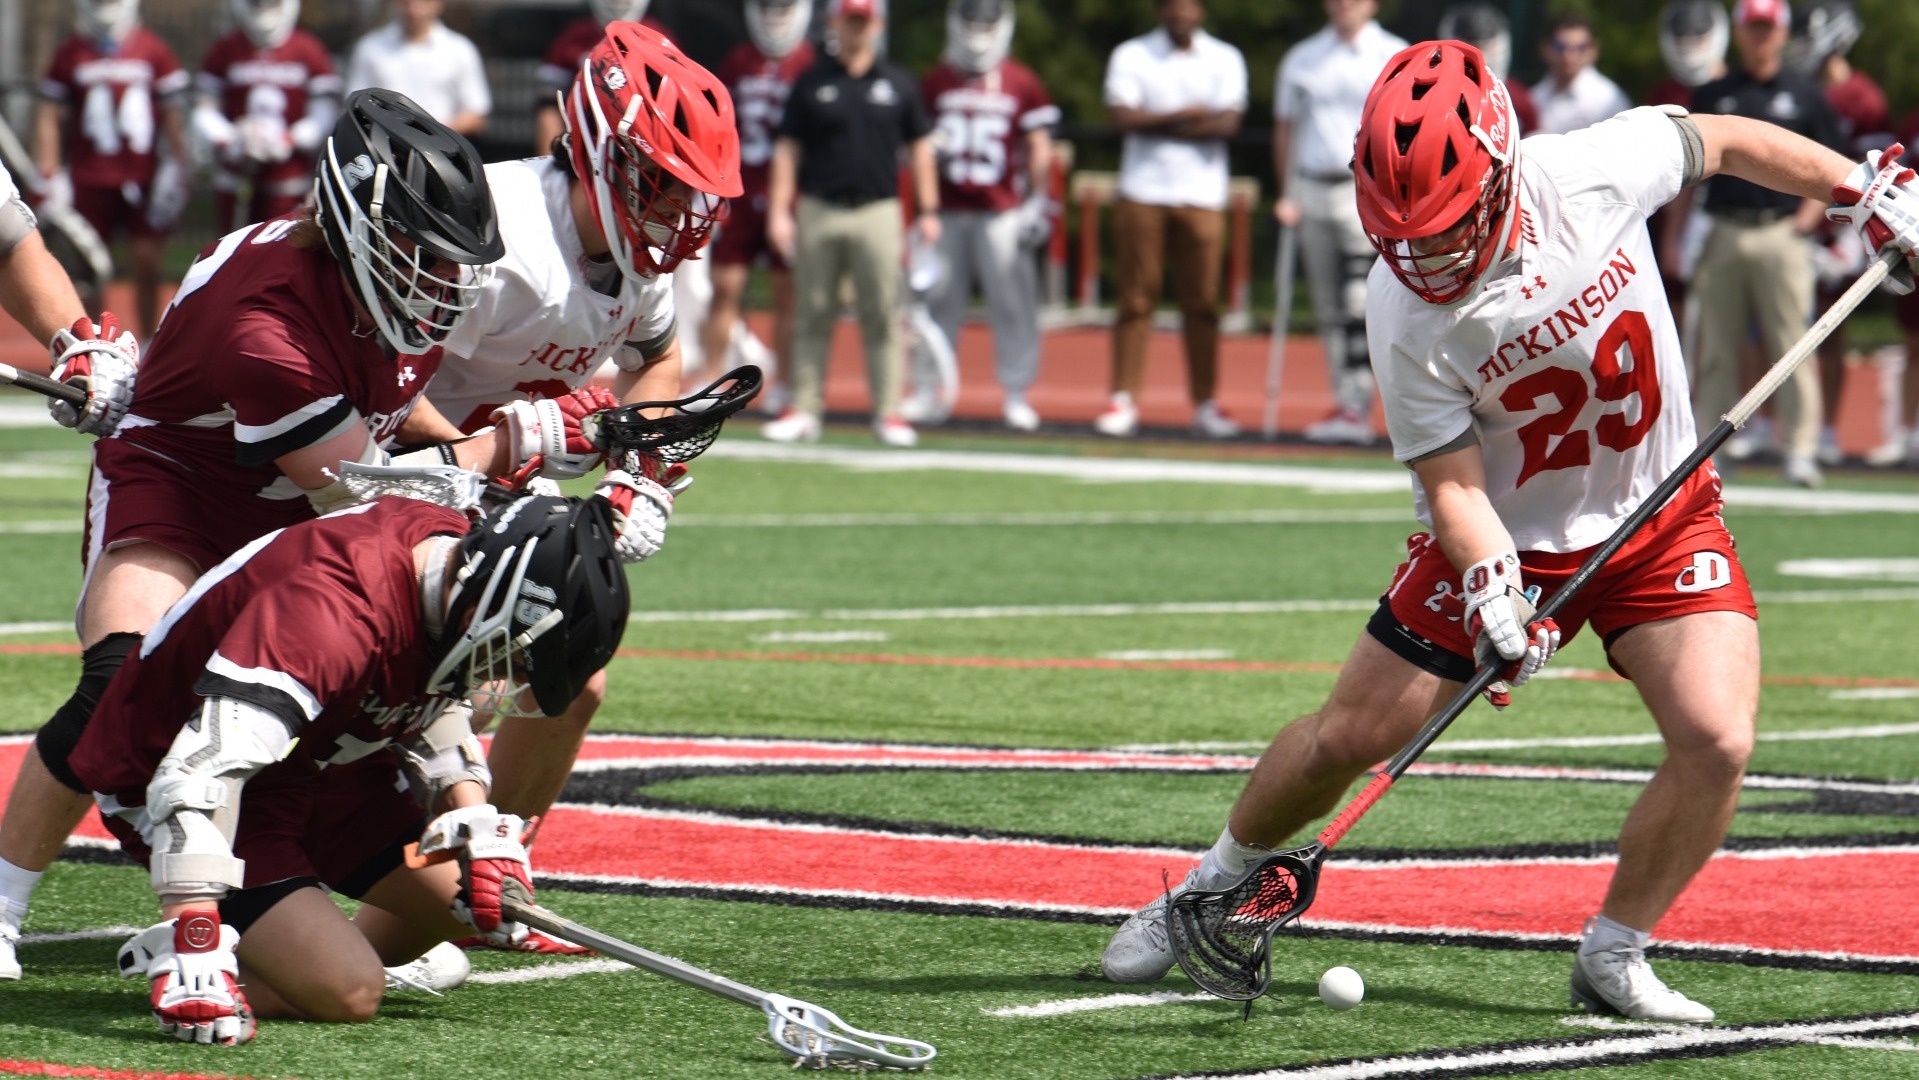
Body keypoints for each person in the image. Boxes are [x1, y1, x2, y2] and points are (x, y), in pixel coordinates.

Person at [1099, 37, 1919, 1024]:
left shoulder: (1587, 171)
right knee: (1348, 737)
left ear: (1500, 170)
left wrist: (1860, 190)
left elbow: (1727, 141)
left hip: (1657, 512)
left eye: (1444, 226)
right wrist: (1493, 583)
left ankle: (1615, 952)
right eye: (1401, 230)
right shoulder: (1400, 307)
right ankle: (1210, 882)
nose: (1421, 255)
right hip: (1506, 533)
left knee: (1715, 738)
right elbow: (1449, 480)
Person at [0, 89, 546, 985]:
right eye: (423, 253)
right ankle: (4, 900)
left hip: (295, 498)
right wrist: (518, 440)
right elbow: (360, 488)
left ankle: (291, 919)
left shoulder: (389, 297)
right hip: (182, 492)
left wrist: (469, 452)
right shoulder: (265, 322)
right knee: (119, 684)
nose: (444, 280)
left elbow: (388, 404)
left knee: (405, 683)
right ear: (359, 230)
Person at [68, 493, 630, 1044]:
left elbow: (429, 695)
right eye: (513, 656)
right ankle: (200, 968)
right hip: (193, 773)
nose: (504, 675)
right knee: (351, 994)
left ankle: (313, 951)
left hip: (322, 752)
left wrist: (476, 824)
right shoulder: (328, 611)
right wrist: (194, 932)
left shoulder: (447, 563)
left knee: (479, 906)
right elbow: (198, 775)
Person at [397, 25, 736, 852]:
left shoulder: (634, 258)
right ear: (600, 152)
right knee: (428, 686)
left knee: (570, 676)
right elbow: (377, 378)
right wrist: (493, 461)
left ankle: (490, 874)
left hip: (496, 472)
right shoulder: (496, 233)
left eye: (688, 189)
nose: (677, 209)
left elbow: (659, 359)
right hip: (394, 467)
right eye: (660, 181)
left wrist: (639, 465)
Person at [762, 0, 939, 448]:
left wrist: (929, 210)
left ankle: (888, 411)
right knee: (812, 311)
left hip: (878, 209)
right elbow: (788, 149)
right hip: (819, 207)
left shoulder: (898, 82)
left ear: (876, 25)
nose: (856, 29)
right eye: (850, 20)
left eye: (863, 21)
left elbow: (920, 148)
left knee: (883, 313)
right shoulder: (811, 81)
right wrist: (780, 211)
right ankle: (804, 408)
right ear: (834, 23)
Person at [1678, 0, 1841, 486]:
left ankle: (1800, 449)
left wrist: (1805, 222)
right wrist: (1674, 237)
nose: (1761, 37)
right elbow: (1686, 169)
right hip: (1724, 228)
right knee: (1716, 346)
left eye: (1768, 28)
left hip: (1782, 231)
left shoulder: (1806, 93)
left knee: (1794, 343)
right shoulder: (1713, 92)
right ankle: (1711, 452)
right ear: (1739, 32)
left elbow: (1833, 160)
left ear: (1783, 32)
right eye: (1754, 28)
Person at [1094, 0, 1247, 440]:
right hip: (1142, 191)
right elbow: (1122, 118)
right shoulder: (1131, 54)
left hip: (1203, 196)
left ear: (1201, 10)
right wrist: (1188, 115)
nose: (1180, 12)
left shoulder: (1225, 57)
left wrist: (1154, 120)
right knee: (1134, 299)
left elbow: (1227, 125)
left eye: (1188, 5)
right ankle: (1123, 397)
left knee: (1203, 303)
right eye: (1172, 5)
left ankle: (1205, 401)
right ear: (1160, 10)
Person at [914, 0, 1058, 432]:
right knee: (936, 304)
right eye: (971, 23)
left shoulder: (1020, 81)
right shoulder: (936, 81)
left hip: (1001, 211)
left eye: (985, 24)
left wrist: (1038, 200)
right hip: (947, 210)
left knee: (1014, 303)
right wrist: (924, 208)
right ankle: (928, 388)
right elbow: (920, 148)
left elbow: (1039, 144)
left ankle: (1016, 391)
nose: (977, 33)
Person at [1271, 0, 1404, 445]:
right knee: (1328, 305)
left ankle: (1370, 402)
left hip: (1365, 190)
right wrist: (1286, 192)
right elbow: (1286, 128)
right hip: (1312, 185)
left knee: (1359, 301)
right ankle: (1348, 404)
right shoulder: (1303, 58)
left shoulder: (1393, 54)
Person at [35, 0, 191, 340]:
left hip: (143, 178)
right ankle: (94, 344)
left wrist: (177, 165)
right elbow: (49, 115)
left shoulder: (152, 49)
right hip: (89, 178)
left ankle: (149, 343)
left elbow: (173, 116)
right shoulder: (71, 52)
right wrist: (49, 174)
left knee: (147, 262)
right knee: (91, 270)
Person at [1789, 0, 1886, 465]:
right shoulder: (1798, 89)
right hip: (1790, 224)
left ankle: (1827, 429)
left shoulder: (1863, 98)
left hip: (1840, 229)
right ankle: (1780, 426)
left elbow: (1877, 177)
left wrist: (1850, 243)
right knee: (1774, 333)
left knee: (1832, 332)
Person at [707, 0, 813, 415]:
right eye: (768, 9)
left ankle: (784, 382)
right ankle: (713, 375)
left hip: (790, 194)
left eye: (783, 10)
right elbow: (717, 125)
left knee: (788, 293)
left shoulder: (809, 63)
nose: (775, 20)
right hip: (740, 189)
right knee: (725, 286)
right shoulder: (738, 62)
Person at [194, 0, 342, 233]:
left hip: (290, 177)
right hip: (237, 174)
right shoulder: (225, 49)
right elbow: (204, 109)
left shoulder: (309, 49)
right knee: (234, 245)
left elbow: (325, 113)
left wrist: (290, 139)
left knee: (285, 245)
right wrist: (229, 139)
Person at [1645, 0, 1730, 332]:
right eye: (1683, 40)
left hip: (1726, 219)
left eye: (1699, 38)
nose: (1691, 49)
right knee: (1674, 316)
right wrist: (1671, 237)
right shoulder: (1663, 94)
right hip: (1674, 214)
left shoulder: (1736, 88)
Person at [532, 0, 674, 154]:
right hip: (584, 145)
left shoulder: (659, 39)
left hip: (643, 147)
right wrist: (552, 160)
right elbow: (549, 108)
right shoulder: (572, 39)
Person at [345, 0, 489, 138]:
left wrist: (433, 135)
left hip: (442, 150)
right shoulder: (370, 48)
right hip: (383, 145)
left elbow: (476, 114)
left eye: (425, 1)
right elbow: (356, 104)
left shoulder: (460, 49)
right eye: (407, 2)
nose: (415, 9)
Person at [1438, 4, 1536, 134]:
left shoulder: (1520, 101)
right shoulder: (1435, 95)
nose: (1484, 58)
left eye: (1489, 48)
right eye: (1473, 47)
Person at [1529, 13, 1632, 136]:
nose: (1569, 56)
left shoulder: (1609, 100)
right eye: (1560, 47)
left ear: (1594, 50)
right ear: (1545, 48)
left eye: (1580, 48)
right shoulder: (1535, 96)